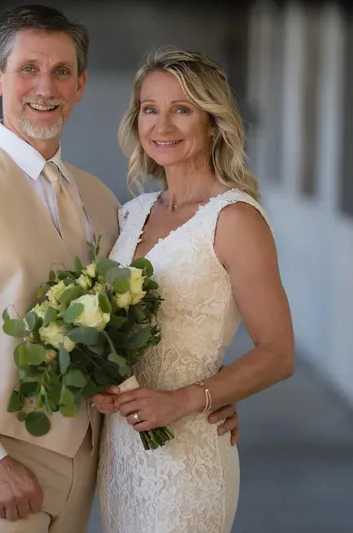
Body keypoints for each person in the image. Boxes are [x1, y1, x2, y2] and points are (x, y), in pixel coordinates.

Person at [0, 7, 240, 533]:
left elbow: (128, 323)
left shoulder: (99, 199)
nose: (44, 87)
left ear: (80, 85)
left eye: (60, 72)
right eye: (28, 68)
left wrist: (203, 396)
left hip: (89, 458)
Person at [92, 49, 296, 533]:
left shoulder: (234, 219)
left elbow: (278, 353)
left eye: (182, 109)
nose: (162, 124)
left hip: (187, 459)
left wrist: (189, 399)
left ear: (212, 121)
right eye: (149, 108)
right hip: (120, 452)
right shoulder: (131, 213)